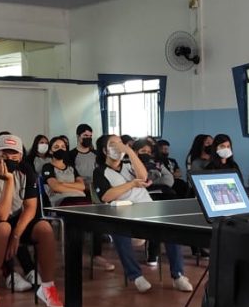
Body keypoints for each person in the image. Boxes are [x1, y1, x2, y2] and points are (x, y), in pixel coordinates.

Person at [0, 134, 63, 307]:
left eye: (14, 154)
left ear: (20, 156)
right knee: (3, 227)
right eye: (5, 153)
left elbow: (30, 208)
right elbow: (0, 214)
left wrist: (16, 236)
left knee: (44, 228)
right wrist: (9, 181)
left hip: (15, 221)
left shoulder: (27, 171)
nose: (10, 158)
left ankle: (47, 288)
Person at [93, 134, 193, 293]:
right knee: (119, 233)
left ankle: (178, 275)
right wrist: (131, 184)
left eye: (121, 144)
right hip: (124, 216)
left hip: (148, 210)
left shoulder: (129, 164)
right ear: (105, 150)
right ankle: (136, 276)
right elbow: (106, 196)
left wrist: (130, 151)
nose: (119, 147)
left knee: (171, 229)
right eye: (114, 144)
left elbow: (143, 177)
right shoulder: (100, 172)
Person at [68, 124, 97, 190]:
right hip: (79, 188)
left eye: (90, 136)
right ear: (78, 136)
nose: (88, 138)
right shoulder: (70, 154)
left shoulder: (96, 153)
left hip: (95, 187)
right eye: (85, 135)